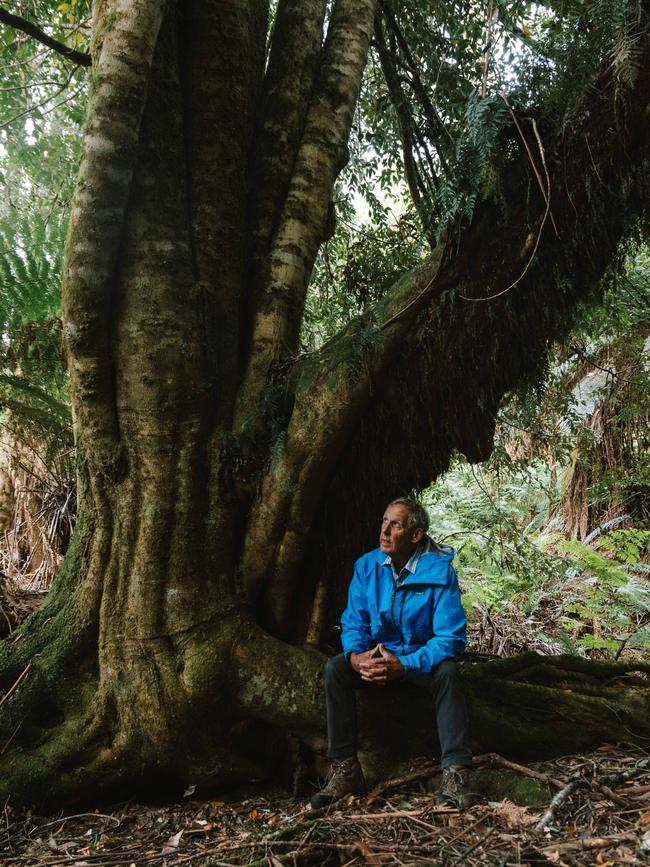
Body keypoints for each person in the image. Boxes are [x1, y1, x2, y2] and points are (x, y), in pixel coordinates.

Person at [311, 497, 472, 809]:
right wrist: (357, 658)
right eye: (384, 521)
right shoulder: (367, 566)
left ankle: (456, 774)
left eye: (394, 525)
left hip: (417, 661)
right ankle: (345, 769)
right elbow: (354, 622)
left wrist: (407, 664)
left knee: (449, 673)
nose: (384, 530)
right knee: (335, 669)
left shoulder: (440, 573)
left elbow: (450, 638)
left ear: (415, 535)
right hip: (378, 660)